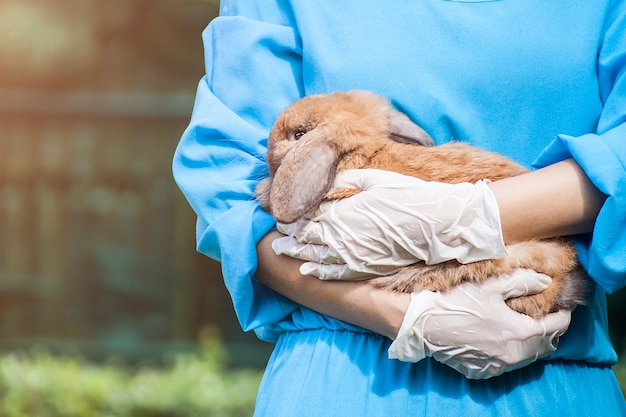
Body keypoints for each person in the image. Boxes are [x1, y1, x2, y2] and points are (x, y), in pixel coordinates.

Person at [173, 1, 626, 415]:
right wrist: (403, 317)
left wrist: (462, 214)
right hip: (343, 379)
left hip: (549, 369)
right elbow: (228, 188)